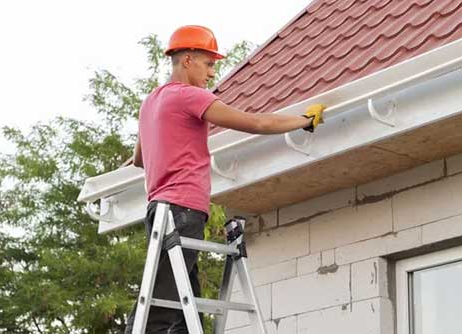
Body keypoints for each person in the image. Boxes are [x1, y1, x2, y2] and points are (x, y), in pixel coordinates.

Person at [124, 25, 325, 333]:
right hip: (182, 211)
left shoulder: (151, 102)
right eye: (208, 64)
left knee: (182, 314)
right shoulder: (189, 96)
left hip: (159, 212)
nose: (211, 73)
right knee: (158, 312)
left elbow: (139, 159)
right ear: (188, 59)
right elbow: (255, 122)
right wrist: (303, 121)